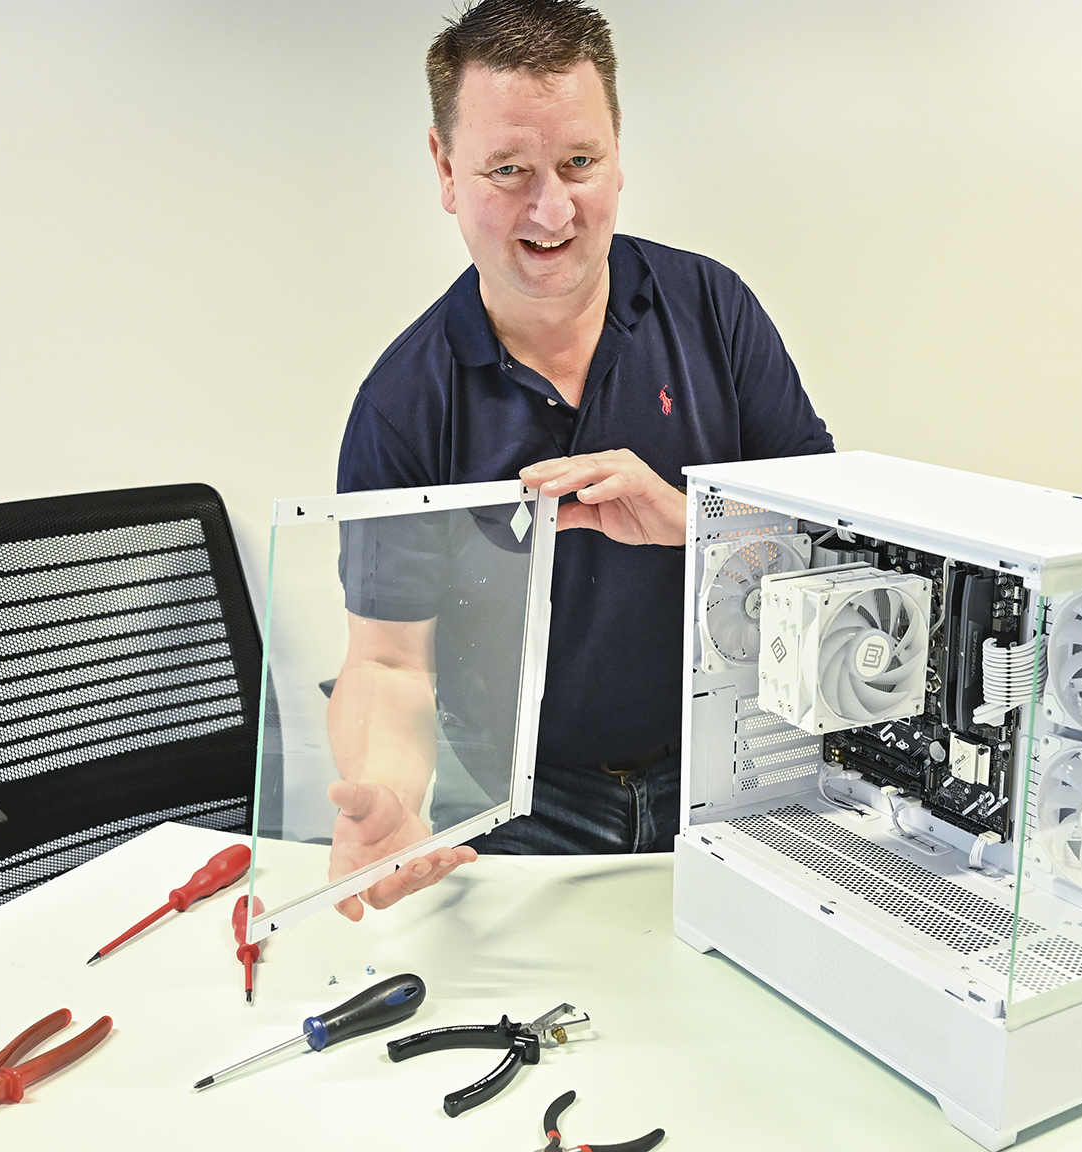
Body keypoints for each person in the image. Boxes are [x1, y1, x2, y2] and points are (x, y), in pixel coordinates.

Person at [324, 0, 831, 921]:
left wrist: (691, 524)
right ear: (445, 169)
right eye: (508, 170)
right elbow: (389, 663)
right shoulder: (404, 403)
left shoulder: (713, 310)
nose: (552, 211)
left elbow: (829, 543)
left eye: (579, 164)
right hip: (523, 807)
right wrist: (388, 794)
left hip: (734, 769)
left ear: (619, 153)